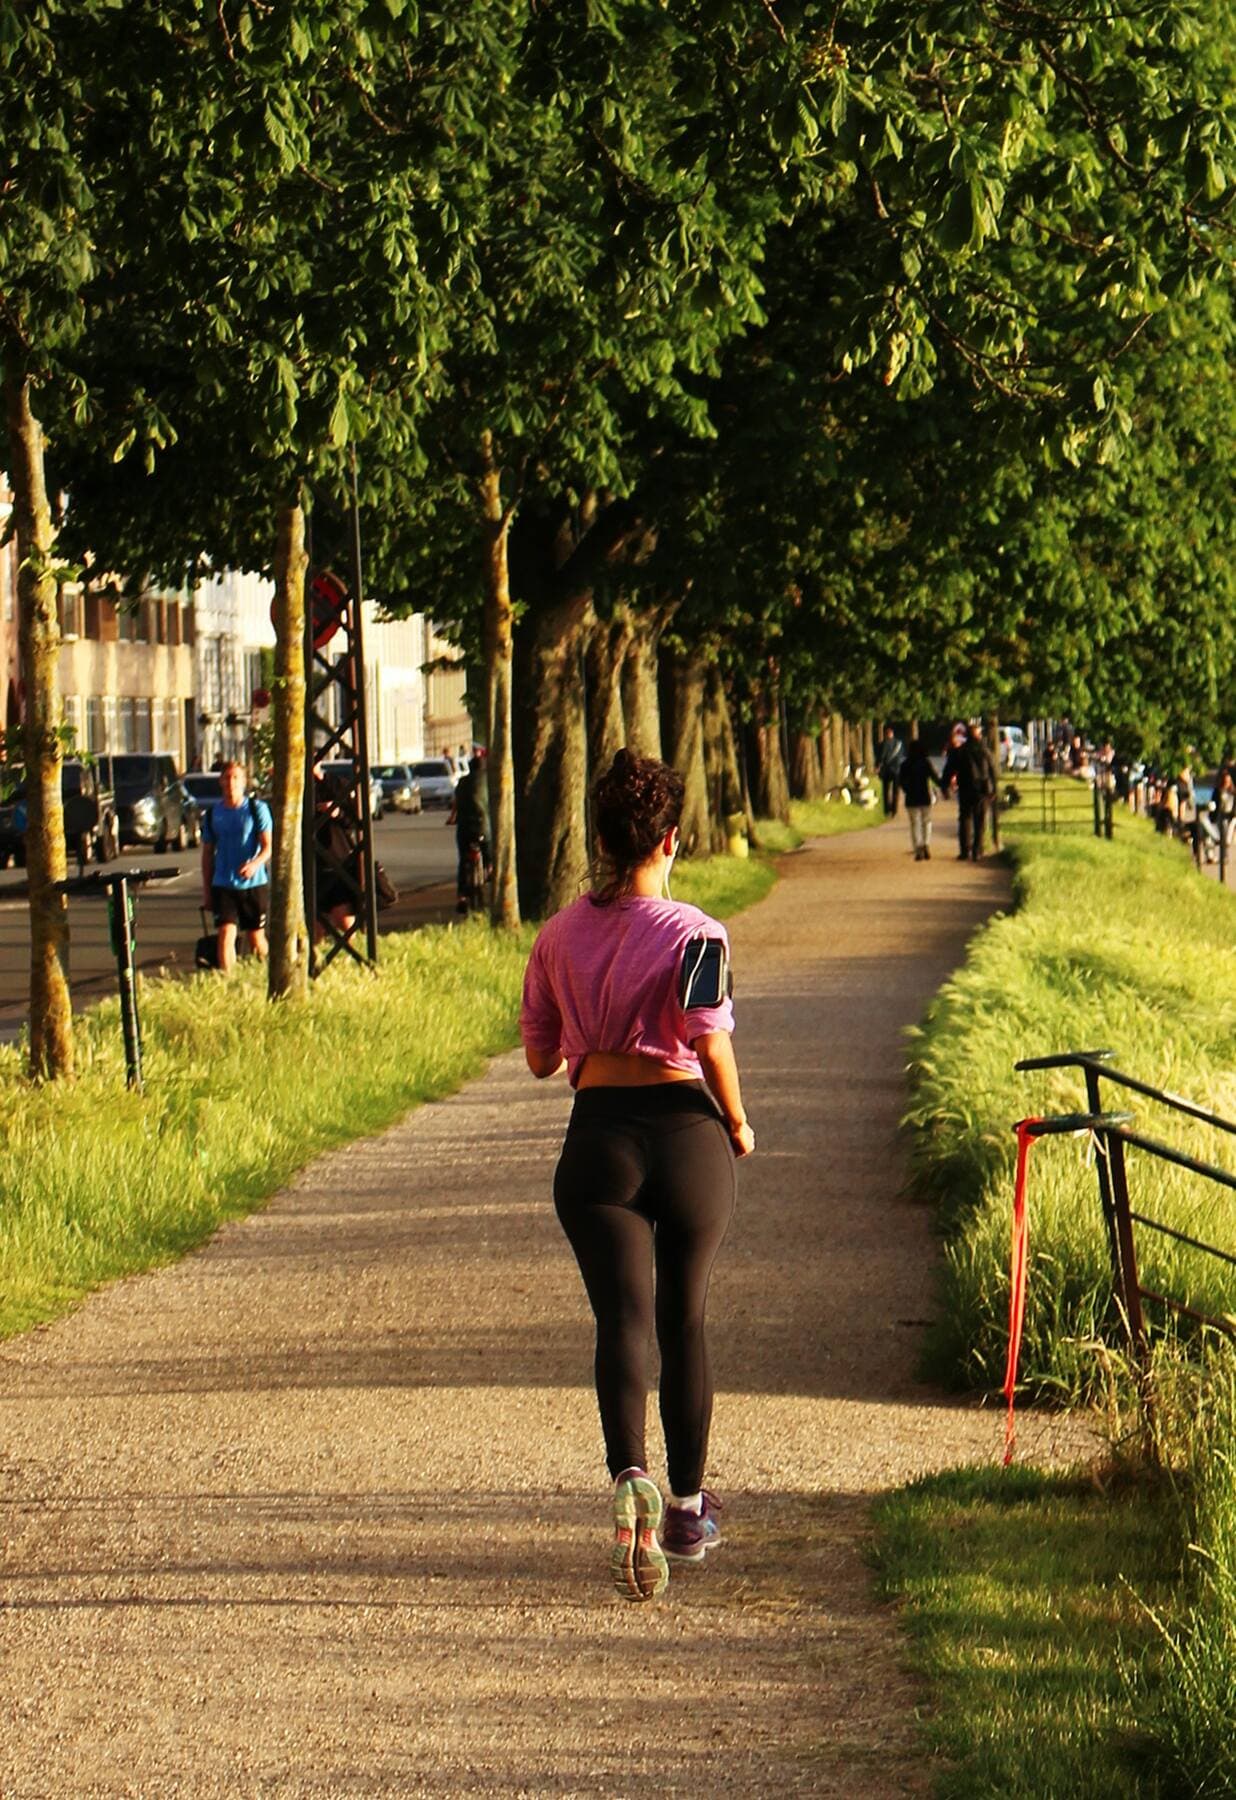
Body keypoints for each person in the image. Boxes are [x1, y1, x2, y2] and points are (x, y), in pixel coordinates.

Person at [519, 749, 754, 1603]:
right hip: (684, 1134)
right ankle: (689, 1513)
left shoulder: (555, 937)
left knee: (621, 1319)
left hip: (598, 1142)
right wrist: (736, 1123)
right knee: (682, 1316)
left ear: (601, 839)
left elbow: (543, 1059)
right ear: (669, 838)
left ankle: (630, 1478)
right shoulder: (696, 932)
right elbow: (707, 1039)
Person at [200, 760, 272, 973]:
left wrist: (255, 864)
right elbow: (207, 854)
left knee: (255, 937)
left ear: (244, 781)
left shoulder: (256, 809)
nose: (231, 782)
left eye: (236, 777)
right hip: (223, 883)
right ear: (221, 781)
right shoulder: (213, 814)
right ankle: (228, 982)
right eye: (227, 777)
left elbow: (268, 846)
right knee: (225, 934)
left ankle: (265, 976)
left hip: (253, 884)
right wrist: (207, 892)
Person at [943, 723, 998, 859]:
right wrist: (994, 788)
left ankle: (964, 850)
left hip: (965, 787)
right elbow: (993, 770)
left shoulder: (960, 751)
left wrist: (945, 785)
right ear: (979, 735)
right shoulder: (985, 751)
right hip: (983, 789)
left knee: (965, 818)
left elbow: (949, 769)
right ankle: (977, 850)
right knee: (980, 820)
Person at [447, 754, 490, 915]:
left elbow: (455, 804)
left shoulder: (462, 782)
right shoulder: (488, 780)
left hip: (464, 827)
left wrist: (452, 818)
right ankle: (490, 870)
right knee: (489, 851)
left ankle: (462, 897)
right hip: (483, 827)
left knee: (464, 860)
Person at [898, 737, 945, 860]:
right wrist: (943, 785)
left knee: (915, 823)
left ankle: (918, 847)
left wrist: (907, 789)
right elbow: (935, 777)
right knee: (926, 822)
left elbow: (901, 782)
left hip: (911, 798)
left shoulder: (905, 764)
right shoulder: (925, 763)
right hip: (924, 796)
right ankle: (926, 843)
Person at [875, 724, 904, 817]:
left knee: (886, 790)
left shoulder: (882, 744)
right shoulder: (899, 744)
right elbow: (901, 755)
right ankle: (894, 810)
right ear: (892, 734)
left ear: (885, 734)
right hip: (897, 770)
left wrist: (877, 766)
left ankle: (887, 810)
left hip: (886, 770)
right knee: (896, 791)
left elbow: (880, 757)